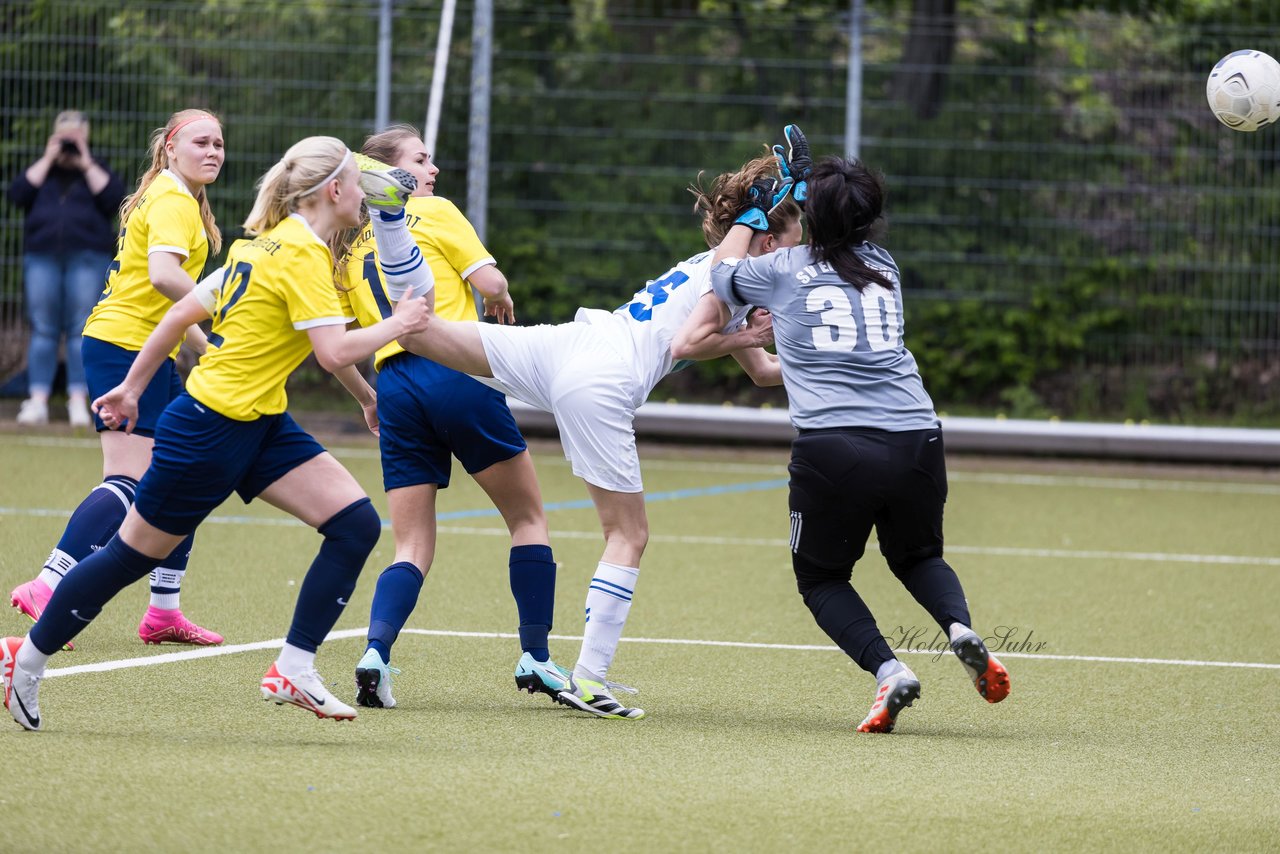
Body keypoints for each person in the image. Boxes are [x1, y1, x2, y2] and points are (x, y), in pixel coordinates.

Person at [0, 138, 433, 731]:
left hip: (260, 423)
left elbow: (182, 315)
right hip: (208, 428)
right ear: (334, 190)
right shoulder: (299, 251)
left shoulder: (268, 244)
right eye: (358, 182)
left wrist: (131, 388)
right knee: (131, 555)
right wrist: (399, 323)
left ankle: (294, 668)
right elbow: (331, 350)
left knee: (354, 524)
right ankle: (24, 657)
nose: (365, 193)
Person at [373, 153, 801, 719]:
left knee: (419, 331)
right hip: (603, 376)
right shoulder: (733, 271)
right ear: (768, 240)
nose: (800, 252)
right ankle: (591, 678)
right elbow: (685, 346)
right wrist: (755, 218)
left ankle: (388, 222)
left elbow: (766, 372)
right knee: (629, 534)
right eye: (794, 238)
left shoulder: (725, 273)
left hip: (568, 346)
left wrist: (826, 371)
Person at [705, 125, 1011, 734]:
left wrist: (766, 203)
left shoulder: (785, 269)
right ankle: (960, 628)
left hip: (834, 445)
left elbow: (721, 272)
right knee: (919, 554)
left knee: (820, 577)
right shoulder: (886, 267)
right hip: (917, 435)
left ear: (809, 218)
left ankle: (889, 671)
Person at [340, 124, 565, 709]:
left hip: (393, 386)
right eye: (420, 159)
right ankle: (536, 657)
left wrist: (367, 397)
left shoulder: (348, 246)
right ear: (388, 172)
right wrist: (500, 297)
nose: (432, 170)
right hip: (454, 369)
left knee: (411, 544)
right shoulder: (432, 209)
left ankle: (375, 653)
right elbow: (490, 279)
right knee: (528, 519)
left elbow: (341, 342)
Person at [8, 109, 227, 649]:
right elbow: (163, 278)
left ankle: (163, 611)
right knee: (129, 480)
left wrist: (209, 349)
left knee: (185, 474)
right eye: (200, 141)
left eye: (220, 143)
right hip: (125, 350)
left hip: (138, 347)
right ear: (171, 148)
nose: (214, 151)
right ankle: (47, 584)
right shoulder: (174, 199)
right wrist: (228, 305)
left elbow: (161, 302)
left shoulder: (174, 196)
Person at [9, 110, 126, 427]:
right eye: (65, 138)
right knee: (43, 329)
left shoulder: (96, 168)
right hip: (43, 257)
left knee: (80, 330)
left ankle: (79, 400)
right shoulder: (42, 171)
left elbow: (115, 199)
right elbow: (17, 193)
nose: (70, 145)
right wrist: (49, 157)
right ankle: (37, 400)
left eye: (76, 138)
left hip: (88, 258)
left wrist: (85, 161)